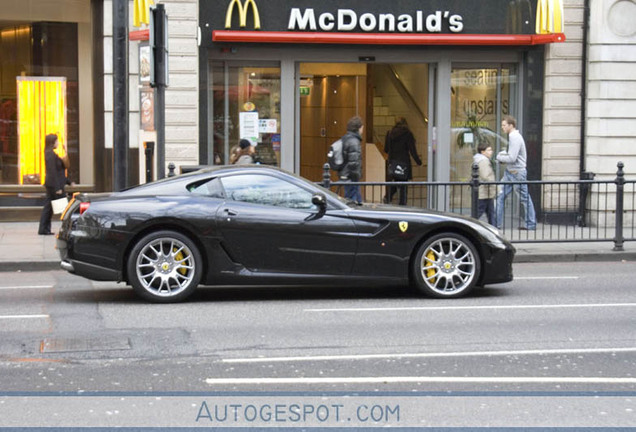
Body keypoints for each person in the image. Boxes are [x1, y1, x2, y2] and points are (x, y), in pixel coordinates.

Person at [496, 115, 536, 230]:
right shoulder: (513, 136)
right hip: (511, 171)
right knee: (500, 196)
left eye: (504, 125)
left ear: (511, 125)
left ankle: (531, 224)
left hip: (516, 172)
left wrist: (500, 157)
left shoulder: (514, 137)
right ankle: (496, 225)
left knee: (524, 198)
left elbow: (512, 158)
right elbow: (512, 158)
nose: (502, 127)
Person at [383, 117, 422, 205]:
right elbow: (412, 150)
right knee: (403, 187)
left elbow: (386, 149)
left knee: (395, 182)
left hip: (393, 163)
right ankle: (402, 205)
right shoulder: (408, 134)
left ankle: (387, 197)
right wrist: (419, 162)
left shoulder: (389, 133)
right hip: (404, 164)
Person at [38, 133, 70, 235]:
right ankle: (65, 229)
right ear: (52, 142)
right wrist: (57, 188)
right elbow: (52, 171)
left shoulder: (50, 153)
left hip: (53, 184)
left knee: (49, 208)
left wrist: (68, 181)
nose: (58, 143)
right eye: (56, 141)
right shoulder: (50, 154)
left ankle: (44, 229)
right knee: (63, 208)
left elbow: (59, 170)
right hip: (54, 185)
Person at [339, 116, 363, 204]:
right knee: (353, 202)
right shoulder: (354, 141)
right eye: (362, 127)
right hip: (352, 177)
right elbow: (353, 162)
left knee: (352, 200)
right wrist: (357, 175)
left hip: (346, 175)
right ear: (358, 128)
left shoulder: (346, 139)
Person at [473, 142, 496, 226]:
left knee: (491, 213)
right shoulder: (483, 161)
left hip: (486, 192)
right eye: (489, 150)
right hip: (485, 191)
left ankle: (494, 230)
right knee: (479, 213)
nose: (491, 152)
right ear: (483, 152)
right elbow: (485, 176)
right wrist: (495, 186)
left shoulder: (480, 160)